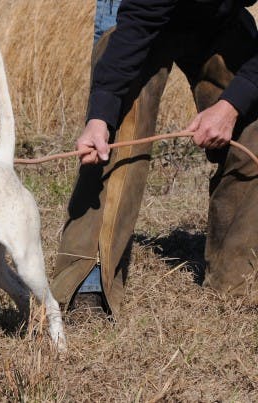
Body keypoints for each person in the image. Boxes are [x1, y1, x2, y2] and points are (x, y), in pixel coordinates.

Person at [51, 0, 258, 317]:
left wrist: (231, 106)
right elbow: (134, 32)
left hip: (221, 21)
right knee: (119, 126)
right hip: (147, 15)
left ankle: (235, 283)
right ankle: (86, 283)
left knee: (254, 120)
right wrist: (99, 119)